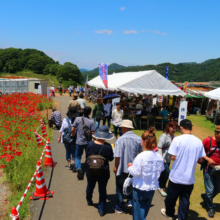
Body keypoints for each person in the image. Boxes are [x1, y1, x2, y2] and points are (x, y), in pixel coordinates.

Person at [161, 119, 206, 220]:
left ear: (181, 128)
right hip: (189, 178)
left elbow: (172, 157)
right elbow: (200, 159)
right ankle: (181, 218)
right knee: (185, 200)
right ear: (192, 128)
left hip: (176, 176)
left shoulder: (177, 140)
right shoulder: (198, 141)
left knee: (171, 198)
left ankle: (170, 213)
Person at [128, 127, 164, 220]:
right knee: (143, 212)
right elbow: (161, 170)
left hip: (140, 188)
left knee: (138, 216)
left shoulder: (141, 156)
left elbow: (135, 172)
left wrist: (130, 167)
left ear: (144, 142)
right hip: (151, 188)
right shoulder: (158, 156)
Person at [113, 120, 142, 213]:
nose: (121, 129)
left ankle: (120, 206)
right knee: (131, 186)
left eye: (122, 127)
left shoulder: (120, 139)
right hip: (133, 168)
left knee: (119, 188)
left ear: (125, 128)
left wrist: (115, 166)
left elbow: (117, 155)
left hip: (122, 168)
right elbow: (140, 153)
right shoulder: (138, 139)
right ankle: (130, 202)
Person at [86, 125, 114, 216]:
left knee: (90, 186)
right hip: (103, 172)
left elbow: (87, 157)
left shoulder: (89, 144)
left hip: (91, 171)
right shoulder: (108, 146)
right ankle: (101, 208)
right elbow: (110, 158)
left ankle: (89, 200)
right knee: (102, 190)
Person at [201, 126, 220, 218]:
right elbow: (199, 151)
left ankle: (205, 197)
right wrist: (207, 158)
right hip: (209, 168)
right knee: (210, 191)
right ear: (216, 133)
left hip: (219, 169)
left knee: (218, 188)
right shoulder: (208, 140)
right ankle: (210, 207)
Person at [72, 106, 95, 180]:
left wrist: (73, 134)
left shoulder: (78, 119)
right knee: (88, 156)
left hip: (79, 142)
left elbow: (73, 128)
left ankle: (78, 168)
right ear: (89, 113)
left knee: (78, 156)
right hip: (88, 142)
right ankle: (87, 169)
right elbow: (93, 132)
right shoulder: (91, 121)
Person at [157, 121, 178, 197]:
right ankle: (162, 187)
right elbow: (159, 147)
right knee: (167, 173)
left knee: (163, 173)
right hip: (163, 159)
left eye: (175, 128)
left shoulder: (173, 137)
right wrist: (160, 159)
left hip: (168, 159)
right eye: (172, 127)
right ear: (168, 127)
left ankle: (159, 184)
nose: (174, 129)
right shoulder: (164, 136)